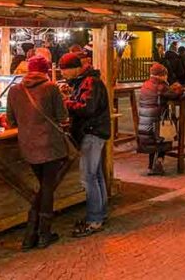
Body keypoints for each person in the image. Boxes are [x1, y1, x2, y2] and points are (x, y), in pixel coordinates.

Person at [5, 56, 68, 250]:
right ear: (46, 70)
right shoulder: (51, 88)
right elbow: (63, 116)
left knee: (44, 186)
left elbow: (11, 121)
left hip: (28, 146)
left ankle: (31, 234)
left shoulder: (15, 90)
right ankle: (41, 234)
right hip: (50, 145)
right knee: (47, 188)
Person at [60, 51, 111, 237]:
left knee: (88, 177)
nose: (62, 74)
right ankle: (100, 213)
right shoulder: (86, 81)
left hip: (92, 132)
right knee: (96, 175)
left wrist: (67, 103)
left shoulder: (90, 82)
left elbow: (88, 108)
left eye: (64, 70)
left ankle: (94, 220)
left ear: (75, 69)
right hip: (95, 132)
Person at [137, 62, 182, 176]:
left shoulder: (145, 84)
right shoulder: (161, 86)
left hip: (144, 120)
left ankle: (151, 166)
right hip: (158, 120)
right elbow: (174, 95)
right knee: (163, 139)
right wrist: (178, 88)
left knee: (152, 143)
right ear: (161, 75)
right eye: (165, 75)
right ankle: (158, 163)